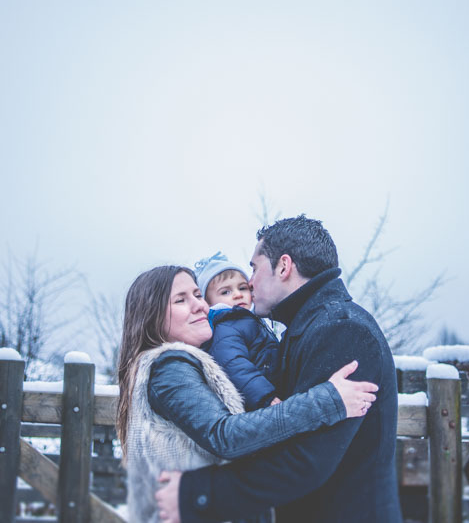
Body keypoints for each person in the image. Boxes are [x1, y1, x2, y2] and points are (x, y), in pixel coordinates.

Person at [156, 215, 402, 522]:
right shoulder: (306, 328)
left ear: (283, 267)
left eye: (255, 267)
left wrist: (199, 494)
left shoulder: (342, 330)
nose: (249, 281)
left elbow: (306, 460)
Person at [117, 264, 379, 523]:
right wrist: (327, 401)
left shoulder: (192, 361)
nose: (199, 305)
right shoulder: (169, 367)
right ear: (151, 315)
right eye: (181, 300)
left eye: (198, 295)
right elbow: (225, 435)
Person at [194, 251, 280, 409]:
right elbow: (234, 365)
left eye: (242, 288)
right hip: (260, 401)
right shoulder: (225, 326)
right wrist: (266, 397)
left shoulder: (248, 319)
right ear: (207, 302)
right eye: (225, 292)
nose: (237, 295)